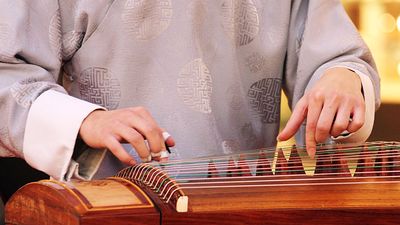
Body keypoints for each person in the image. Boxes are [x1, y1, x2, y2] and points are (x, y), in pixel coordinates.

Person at [0, 0, 379, 221]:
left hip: (244, 206)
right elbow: (7, 74)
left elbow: (335, 57)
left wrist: (342, 78)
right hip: (111, 209)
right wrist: (87, 120)